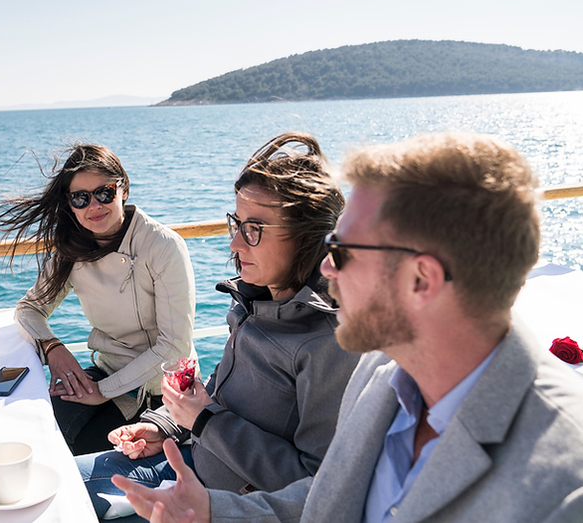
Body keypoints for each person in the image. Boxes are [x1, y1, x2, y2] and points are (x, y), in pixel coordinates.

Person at [112, 132, 583, 523]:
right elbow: (329, 501)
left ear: (422, 280)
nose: (329, 271)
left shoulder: (562, 489)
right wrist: (215, 510)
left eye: (343, 250)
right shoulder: (383, 372)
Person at [76, 133, 360, 520]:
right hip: (189, 460)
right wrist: (165, 424)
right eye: (236, 224)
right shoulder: (257, 299)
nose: (235, 245)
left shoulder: (330, 342)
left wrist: (205, 421)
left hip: (231, 505)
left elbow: (316, 488)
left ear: (309, 238)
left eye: (254, 230)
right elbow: (227, 390)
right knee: (54, 484)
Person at [0, 143, 196, 454]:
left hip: (159, 391)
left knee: (74, 449)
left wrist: (102, 391)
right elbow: (30, 308)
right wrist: (52, 348)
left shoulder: (162, 246)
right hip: (106, 372)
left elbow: (174, 347)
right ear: (70, 205)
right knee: (33, 426)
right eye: (80, 198)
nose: (94, 205)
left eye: (104, 192)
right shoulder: (74, 249)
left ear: (123, 189)